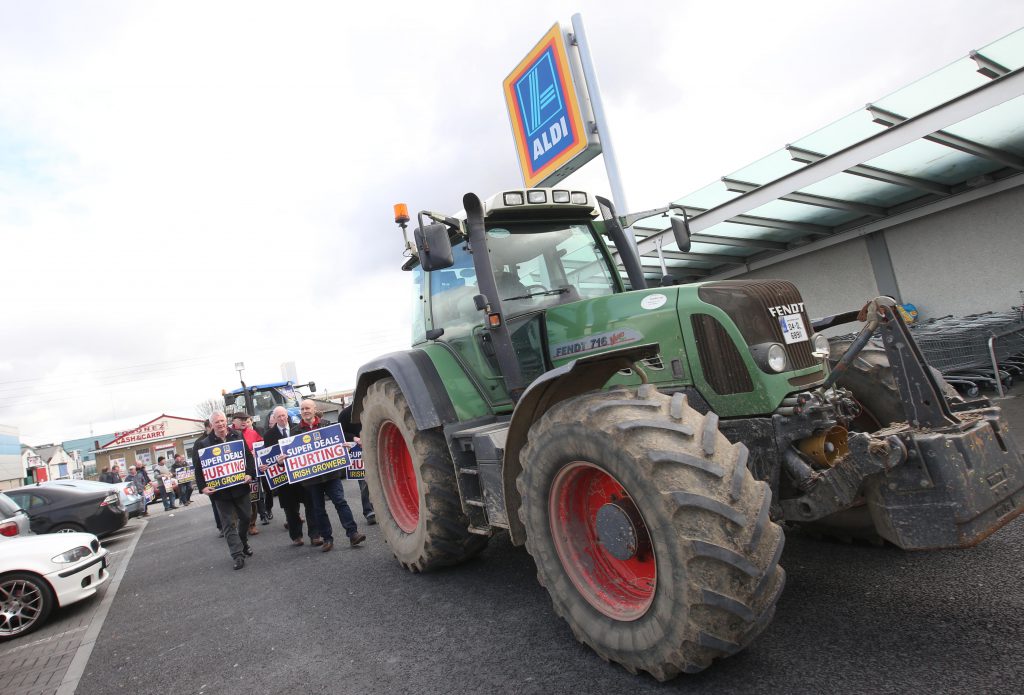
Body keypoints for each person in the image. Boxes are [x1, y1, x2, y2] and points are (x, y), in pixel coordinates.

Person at [296, 399, 365, 552]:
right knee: (318, 509)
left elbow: (338, 444)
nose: (305, 411)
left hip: (331, 473)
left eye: (307, 408)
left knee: (340, 502)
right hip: (312, 478)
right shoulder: (295, 431)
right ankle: (327, 538)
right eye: (302, 409)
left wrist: (344, 447)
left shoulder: (328, 425)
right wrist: (283, 460)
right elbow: (291, 455)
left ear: (315, 409)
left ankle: (353, 533)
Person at [194, 410, 257, 570]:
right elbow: (199, 469)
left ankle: (242, 542)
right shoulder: (203, 444)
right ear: (211, 425)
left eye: (222, 421)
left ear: (226, 421)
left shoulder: (236, 436)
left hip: (240, 487)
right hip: (220, 492)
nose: (221, 424)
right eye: (217, 422)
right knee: (228, 524)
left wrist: (249, 473)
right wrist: (203, 487)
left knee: (246, 517)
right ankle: (237, 555)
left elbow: (248, 457)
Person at [262, 406, 314, 546]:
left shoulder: (298, 429)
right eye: (279, 416)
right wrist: (277, 462)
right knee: (290, 510)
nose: (282, 418)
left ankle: (315, 535)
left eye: (284, 415)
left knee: (310, 505)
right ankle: (296, 536)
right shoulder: (268, 436)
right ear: (274, 418)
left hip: (302, 475)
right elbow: (269, 458)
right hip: (284, 478)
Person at [337, 404, 375, 525]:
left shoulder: (372, 407)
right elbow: (341, 433)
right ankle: (369, 511)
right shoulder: (344, 414)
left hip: (375, 447)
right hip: (357, 452)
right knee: (364, 483)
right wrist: (355, 438)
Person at [232, 413, 268, 534]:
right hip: (236, 473)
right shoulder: (229, 434)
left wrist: (255, 452)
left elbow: (262, 446)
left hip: (252, 470)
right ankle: (239, 525)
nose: (243, 421)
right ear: (234, 421)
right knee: (237, 501)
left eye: (245, 419)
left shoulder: (253, 433)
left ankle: (252, 524)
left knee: (253, 498)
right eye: (240, 419)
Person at [192, 419, 223, 535]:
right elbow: (197, 464)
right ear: (207, 427)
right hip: (211, 480)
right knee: (216, 503)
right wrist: (202, 485)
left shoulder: (221, 437)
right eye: (212, 426)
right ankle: (221, 526)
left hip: (224, 477)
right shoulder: (200, 442)